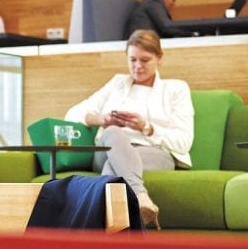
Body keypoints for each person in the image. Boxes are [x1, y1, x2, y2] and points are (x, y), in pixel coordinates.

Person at [64, 29, 193, 227]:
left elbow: (183, 142)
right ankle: (141, 197)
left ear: (159, 58)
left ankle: (106, 226)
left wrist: (146, 127)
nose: (137, 66)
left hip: (153, 152)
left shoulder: (176, 89)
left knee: (114, 167)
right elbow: (72, 114)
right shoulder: (117, 83)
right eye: (132, 60)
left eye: (145, 60)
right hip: (109, 148)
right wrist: (102, 119)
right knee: (113, 133)